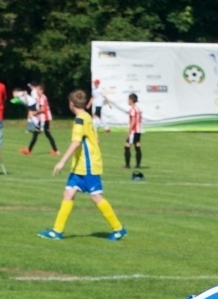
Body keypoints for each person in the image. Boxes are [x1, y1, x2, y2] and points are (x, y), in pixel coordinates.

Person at [37, 89, 126, 241]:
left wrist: (61, 161)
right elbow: (95, 140)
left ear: (71, 104)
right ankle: (56, 231)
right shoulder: (87, 116)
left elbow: (76, 142)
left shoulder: (80, 120)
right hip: (80, 165)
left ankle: (118, 228)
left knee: (96, 197)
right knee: (68, 194)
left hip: (88, 165)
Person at [19, 83, 58, 156]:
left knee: (37, 134)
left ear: (41, 90)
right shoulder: (41, 98)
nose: (36, 92)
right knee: (47, 134)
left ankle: (29, 150)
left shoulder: (42, 98)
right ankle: (55, 150)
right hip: (43, 119)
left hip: (44, 119)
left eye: (37, 90)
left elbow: (43, 109)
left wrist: (34, 113)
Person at [123, 93, 144, 180]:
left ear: (131, 100)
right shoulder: (138, 108)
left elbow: (133, 120)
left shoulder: (132, 109)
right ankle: (138, 164)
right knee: (137, 145)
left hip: (134, 130)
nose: (128, 101)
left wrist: (129, 131)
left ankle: (127, 165)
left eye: (128, 99)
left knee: (127, 146)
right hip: (139, 130)